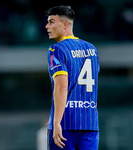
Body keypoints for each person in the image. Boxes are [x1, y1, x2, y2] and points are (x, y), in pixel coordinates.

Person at [45, 5, 100, 150]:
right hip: (90, 123)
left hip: (66, 123)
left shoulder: (56, 50)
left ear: (65, 24)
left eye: (51, 22)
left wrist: (57, 122)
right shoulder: (92, 49)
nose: (46, 26)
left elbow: (61, 86)